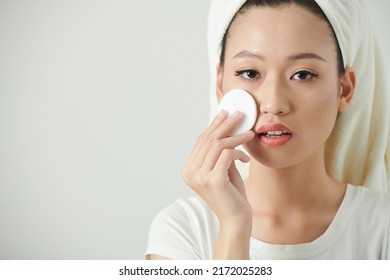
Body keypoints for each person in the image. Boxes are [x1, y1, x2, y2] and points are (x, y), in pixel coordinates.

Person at [145, 0, 390, 260]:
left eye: (303, 74)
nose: (274, 104)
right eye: (250, 73)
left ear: (345, 89)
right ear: (220, 85)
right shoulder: (182, 231)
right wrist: (233, 226)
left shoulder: (381, 228)